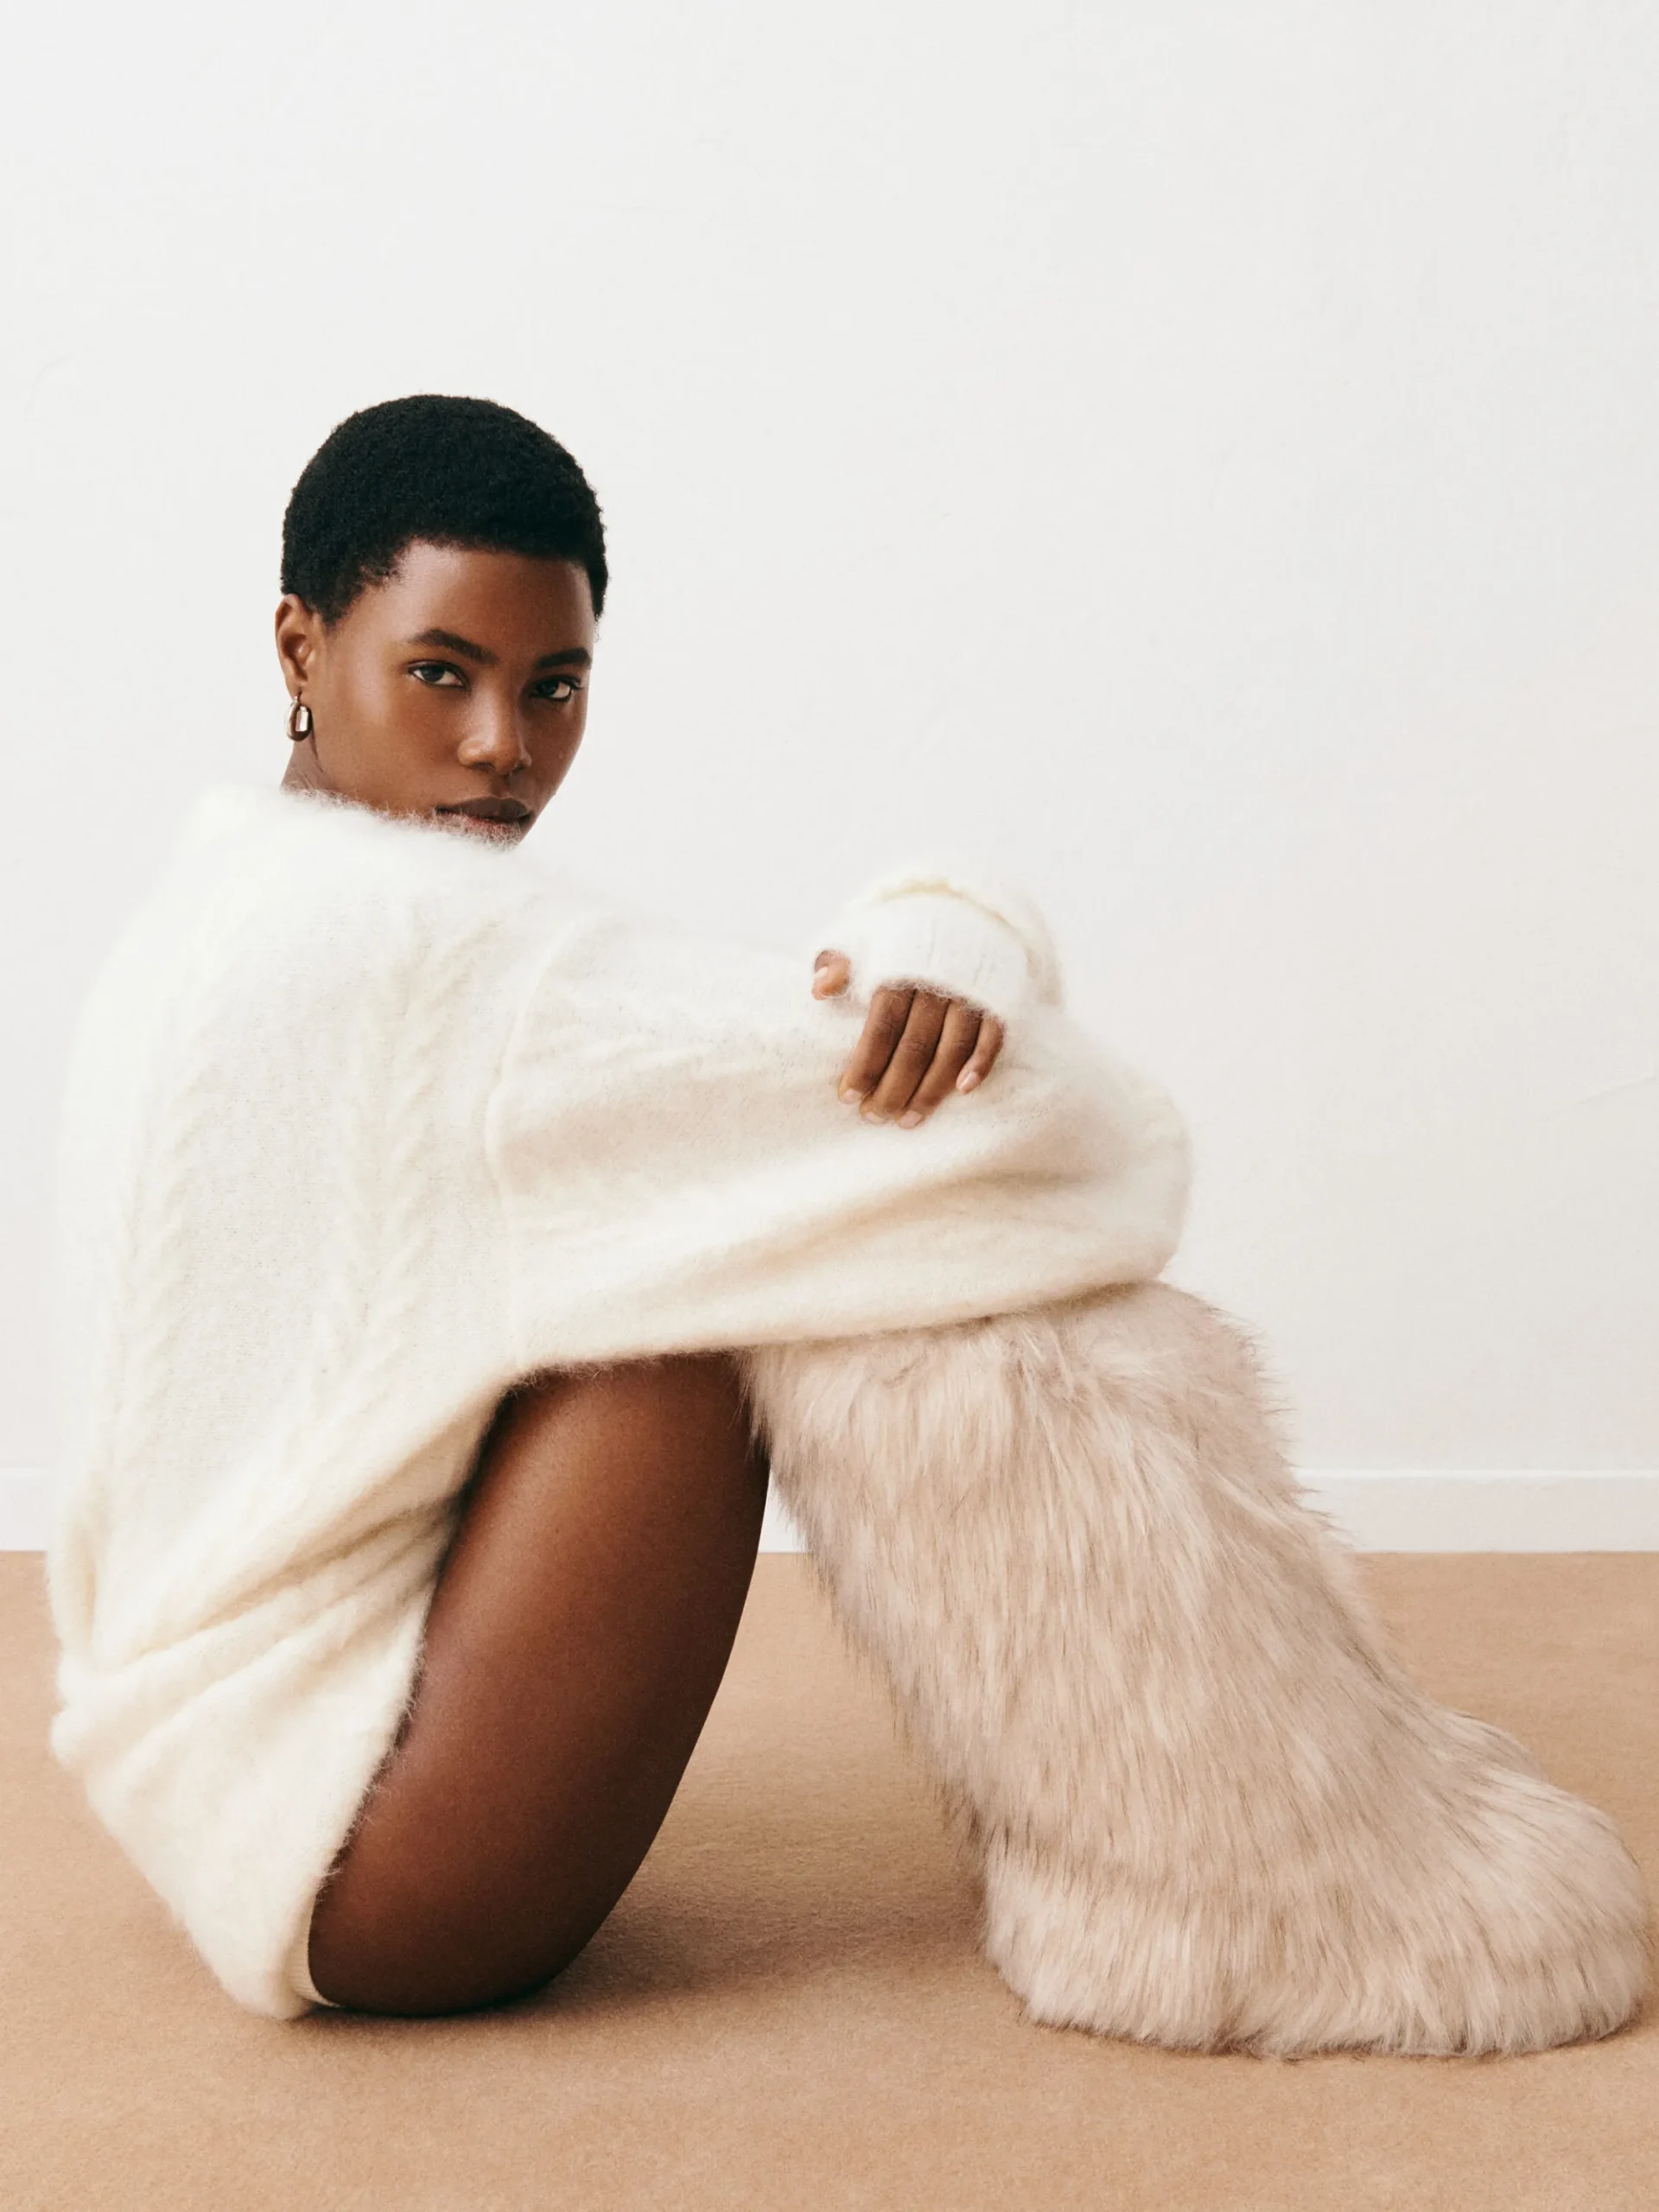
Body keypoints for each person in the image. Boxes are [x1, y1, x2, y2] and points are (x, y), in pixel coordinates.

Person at [46, 397, 1649, 2054]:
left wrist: (930, 964)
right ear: (302, 647)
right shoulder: (410, 956)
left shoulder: (215, 906)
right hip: (376, 1876)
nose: (501, 745)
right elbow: (1075, 1139)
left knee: (715, 1207)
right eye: (441, 673)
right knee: (758, 1266)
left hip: (217, 1804)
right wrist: (955, 927)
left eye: (555, 686)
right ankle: (1257, 1879)